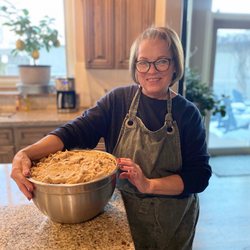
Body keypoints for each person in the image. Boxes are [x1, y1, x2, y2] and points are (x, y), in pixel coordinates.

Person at [11, 26, 212, 250]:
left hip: (172, 222)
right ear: (135, 66)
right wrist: (25, 154)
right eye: (143, 61)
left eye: (162, 61)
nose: (151, 70)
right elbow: (75, 132)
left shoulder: (188, 114)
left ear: (175, 65)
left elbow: (199, 177)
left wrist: (149, 184)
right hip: (122, 215)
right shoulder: (118, 101)